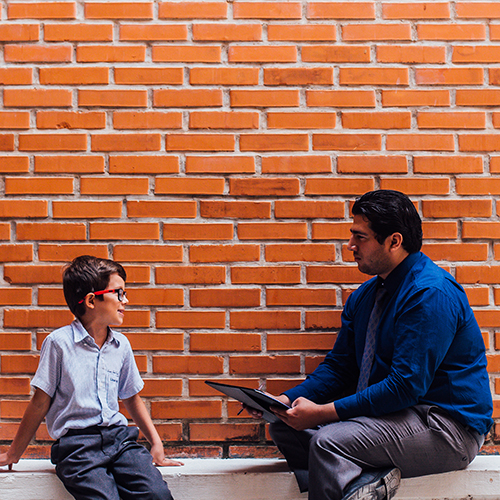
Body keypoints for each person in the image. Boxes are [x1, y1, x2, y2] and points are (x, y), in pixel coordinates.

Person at [246, 190, 493, 500]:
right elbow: (340, 368)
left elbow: (405, 386)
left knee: (328, 442)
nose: (350, 245)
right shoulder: (366, 296)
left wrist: (322, 413)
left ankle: (354, 484)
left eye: (360, 237)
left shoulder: (429, 294)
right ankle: (363, 486)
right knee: (284, 426)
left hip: (445, 428)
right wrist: (283, 400)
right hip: (392, 419)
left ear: (394, 241)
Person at [0, 255, 182, 500]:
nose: (125, 300)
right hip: (77, 448)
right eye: (118, 293)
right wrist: (14, 453)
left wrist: (156, 444)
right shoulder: (59, 344)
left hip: (120, 442)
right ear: (90, 300)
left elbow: (132, 398)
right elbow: (40, 402)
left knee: (157, 494)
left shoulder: (121, 345)